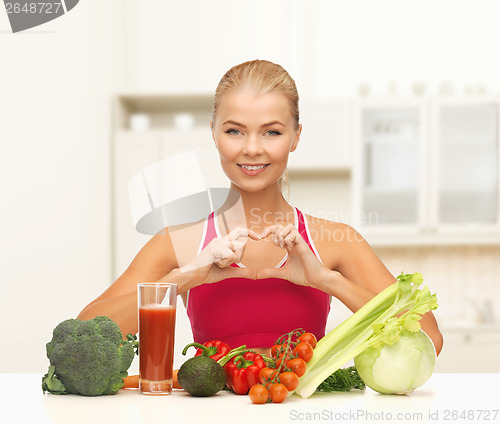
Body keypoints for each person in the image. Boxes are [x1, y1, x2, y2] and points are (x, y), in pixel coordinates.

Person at [78, 60, 443, 357]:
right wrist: (182, 279)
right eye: (235, 131)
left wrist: (328, 281)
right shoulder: (180, 243)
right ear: (213, 133)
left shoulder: (334, 241)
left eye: (271, 132)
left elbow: (428, 338)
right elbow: (83, 335)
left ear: (296, 136)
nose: (252, 148)